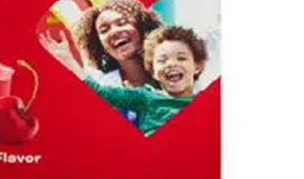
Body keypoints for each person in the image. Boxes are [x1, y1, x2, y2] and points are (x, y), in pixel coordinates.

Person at [45, 25, 208, 137]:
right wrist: (69, 61)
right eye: (162, 60)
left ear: (197, 67)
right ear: (153, 72)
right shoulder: (146, 96)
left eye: (181, 58)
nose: (171, 64)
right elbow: (100, 93)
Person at [43, 0, 162, 89]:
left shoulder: (168, 69)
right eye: (104, 30)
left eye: (122, 23)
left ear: (142, 27)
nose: (114, 31)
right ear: (100, 45)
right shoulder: (103, 84)